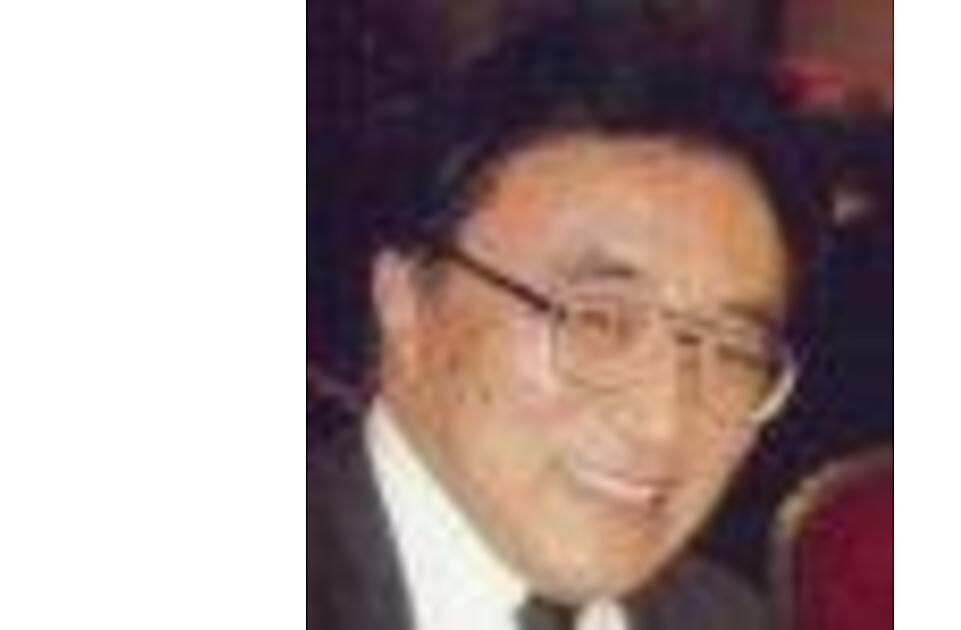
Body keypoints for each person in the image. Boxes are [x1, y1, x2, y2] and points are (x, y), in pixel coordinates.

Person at [308, 20, 823, 630]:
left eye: (732, 350)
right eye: (601, 320)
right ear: (406, 301)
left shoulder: (727, 619)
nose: (660, 423)